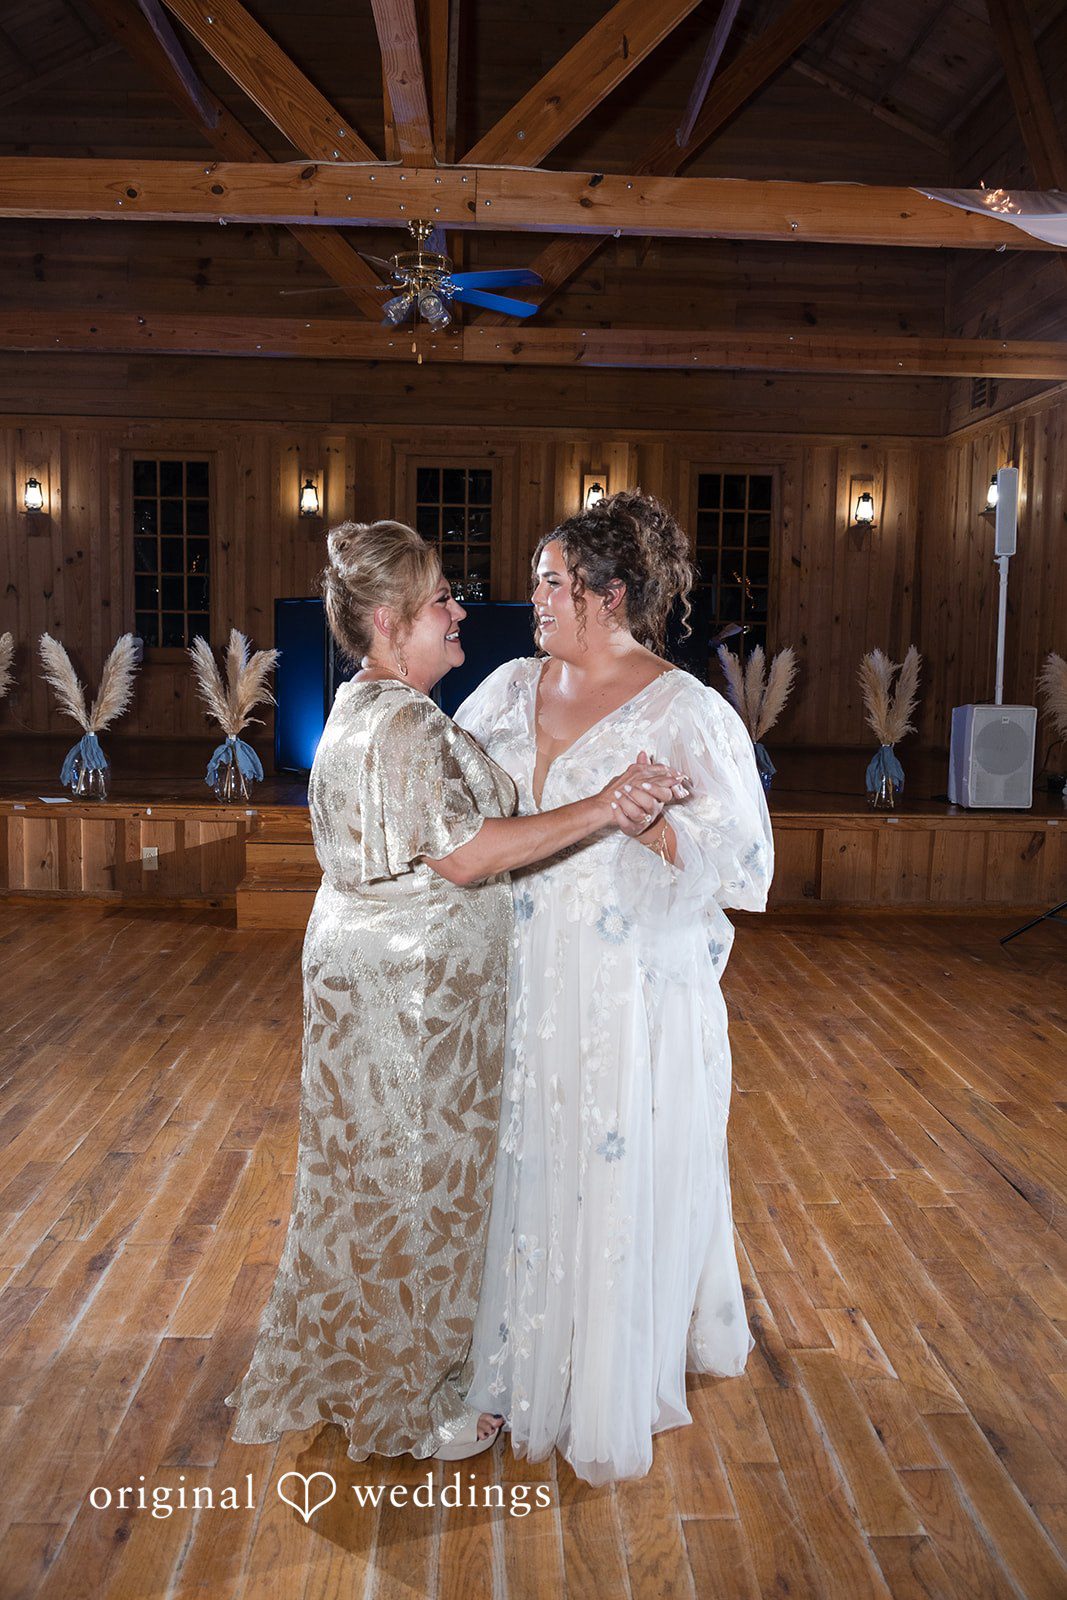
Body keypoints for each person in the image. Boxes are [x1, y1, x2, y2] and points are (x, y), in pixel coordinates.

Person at [223, 518, 688, 1465]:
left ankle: (360, 1365)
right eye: (440, 599)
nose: (458, 611)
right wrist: (605, 805)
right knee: (418, 1193)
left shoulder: (369, 706)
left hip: (378, 986)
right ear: (389, 622)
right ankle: (415, 1400)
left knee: (368, 1187)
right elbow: (468, 857)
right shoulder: (402, 722)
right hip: (414, 1008)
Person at [454, 489, 774, 1484]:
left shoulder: (686, 711)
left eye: (551, 582)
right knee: (512, 1157)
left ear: (609, 593)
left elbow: (744, 863)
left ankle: (593, 1366)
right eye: (537, 581)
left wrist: (655, 825)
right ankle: (500, 1356)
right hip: (513, 967)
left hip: (619, 988)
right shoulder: (505, 688)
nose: (534, 598)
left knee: (598, 1161)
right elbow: (453, 801)